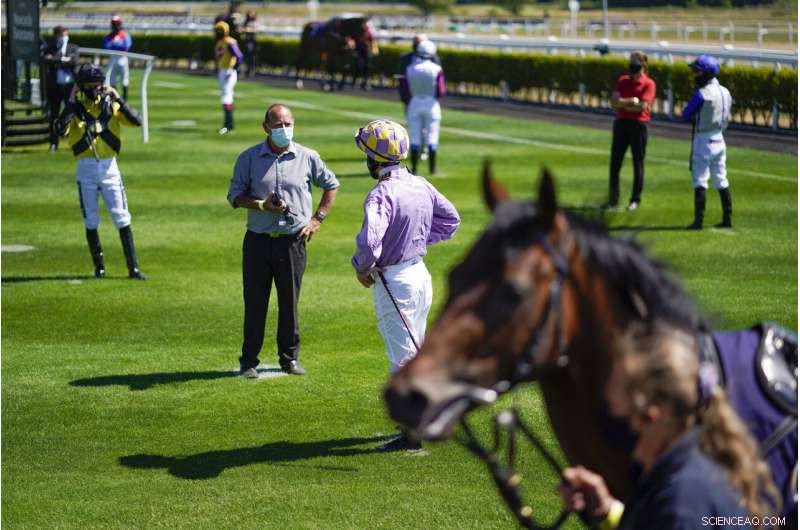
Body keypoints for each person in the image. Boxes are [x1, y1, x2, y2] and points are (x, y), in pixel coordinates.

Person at [558, 327, 779, 529]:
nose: (607, 392)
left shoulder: (681, 504)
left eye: (616, 371)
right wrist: (607, 512)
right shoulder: (688, 471)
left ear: (650, 413)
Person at [352, 119, 460, 451]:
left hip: (395, 281)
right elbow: (451, 220)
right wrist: (416, 239)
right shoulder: (420, 183)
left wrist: (362, 268)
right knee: (417, 350)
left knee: (402, 358)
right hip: (419, 274)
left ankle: (413, 433)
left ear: (375, 159)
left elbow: (370, 246)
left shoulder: (380, 194)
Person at [227, 104, 340, 378]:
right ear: (265, 127)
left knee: (290, 303)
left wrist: (317, 220)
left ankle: (289, 359)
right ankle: (249, 361)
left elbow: (331, 184)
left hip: (292, 242)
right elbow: (235, 196)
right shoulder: (249, 158)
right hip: (258, 241)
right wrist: (263, 206)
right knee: (255, 302)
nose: (284, 129)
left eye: (288, 124)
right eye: (278, 125)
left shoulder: (307, 156)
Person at [56, 64, 147, 280]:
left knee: (122, 217)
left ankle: (133, 268)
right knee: (91, 220)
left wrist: (118, 98)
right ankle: (99, 268)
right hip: (86, 168)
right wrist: (70, 101)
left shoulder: (110, 105)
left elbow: (137, 120)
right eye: (89, 84)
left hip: (109, 166)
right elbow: (61, 129)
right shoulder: (75, 107)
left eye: (98, 83)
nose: (95, 88)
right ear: (81, 85)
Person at [682, 55, 733, 231]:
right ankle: (727, 219)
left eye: (696, 71)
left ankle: (698, 221)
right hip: (720, 137)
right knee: (721, 179)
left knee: (700, 180)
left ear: (705, 73)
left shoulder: (702, 93)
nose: (694, 75)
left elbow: (686, 114)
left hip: (703, 139)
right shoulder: (726, 91)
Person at [607, 51, 656, 212]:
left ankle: (635, 199)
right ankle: (613, 199)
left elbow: (642, 107)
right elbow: (614, 103)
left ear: (642, 66)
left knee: (638, 163)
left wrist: (624, 104)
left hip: (638, 126)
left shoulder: (649, 84)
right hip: (621, 124)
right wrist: (631, 101)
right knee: (615, 163)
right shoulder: (623, 80)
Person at [401, 40, 445, 176]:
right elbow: (441, 90)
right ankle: (432, 169)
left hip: (414, 103)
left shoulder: (410, 68)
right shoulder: (437, 69)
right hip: (431, 103)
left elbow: (406, 90)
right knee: (432, 136)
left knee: (414, 136)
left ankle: (414, 169)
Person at [41, 26, 79, 152]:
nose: (63, 37)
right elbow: (46, 60)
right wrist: (62, 59)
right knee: (54, 115)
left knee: (71, 114)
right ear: (56, 36)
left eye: (65, 34)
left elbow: (74, 61)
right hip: (55, 87)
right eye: (61, 35)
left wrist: (57, 60)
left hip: (69, 86)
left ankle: (73, 140)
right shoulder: (50, 48)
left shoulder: (73, 47)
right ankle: (53, 142)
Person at [214, 21, 243, 135]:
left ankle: (228, 125)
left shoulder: (230, 42)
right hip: (222, 70)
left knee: (226, 97)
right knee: (225, 97)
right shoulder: (220, 42)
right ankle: (229, 125)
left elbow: (239, 56)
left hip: (228, 71)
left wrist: (233, 68)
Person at [397, 34, 440, 111]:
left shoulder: (434, 59)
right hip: (411, 99)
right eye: (415, 43)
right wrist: (405, 97)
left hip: (430, 100)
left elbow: (438, 81)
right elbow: (402, 79)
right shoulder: (405, 58)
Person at [102, 16, 132, 101]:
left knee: (124, 80)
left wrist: (115, 44)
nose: (115, 26)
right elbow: (107, 46)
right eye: (114, 24)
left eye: (117, 24)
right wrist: (118, 45)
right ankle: (115, 99)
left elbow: (126, 46)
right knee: (112, 80)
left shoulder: (125, 35)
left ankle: (124, 101)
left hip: (123, 58)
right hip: (112, 59)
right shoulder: (109, 36)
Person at [242, 11, 258, 78]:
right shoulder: (246, 22)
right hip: (247, 41)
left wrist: (246, 29)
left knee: (252, 58)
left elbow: (255, 29)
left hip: (252, 41)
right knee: (246, 57)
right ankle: (247, 70)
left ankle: (252, 71)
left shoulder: (255, 22)